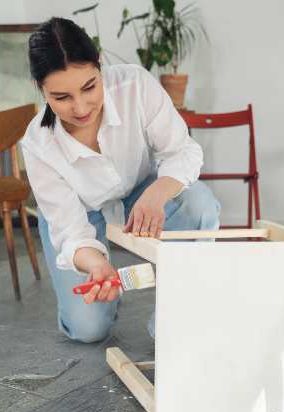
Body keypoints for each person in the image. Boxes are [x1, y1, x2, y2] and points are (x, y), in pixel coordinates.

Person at [21, 17, 220, 343]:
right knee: (88, 329)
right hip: (77, 212)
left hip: (141, 187)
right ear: (41, 89)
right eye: (62, 97)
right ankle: (98, 305)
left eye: (89, 87)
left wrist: (158, 192)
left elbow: (182, 151)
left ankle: (175, 316)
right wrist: (95, 264)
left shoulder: (135, 85)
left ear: (100, 65)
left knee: (199, 204)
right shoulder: (37, 143)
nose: (81, 107)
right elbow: (70, 231)